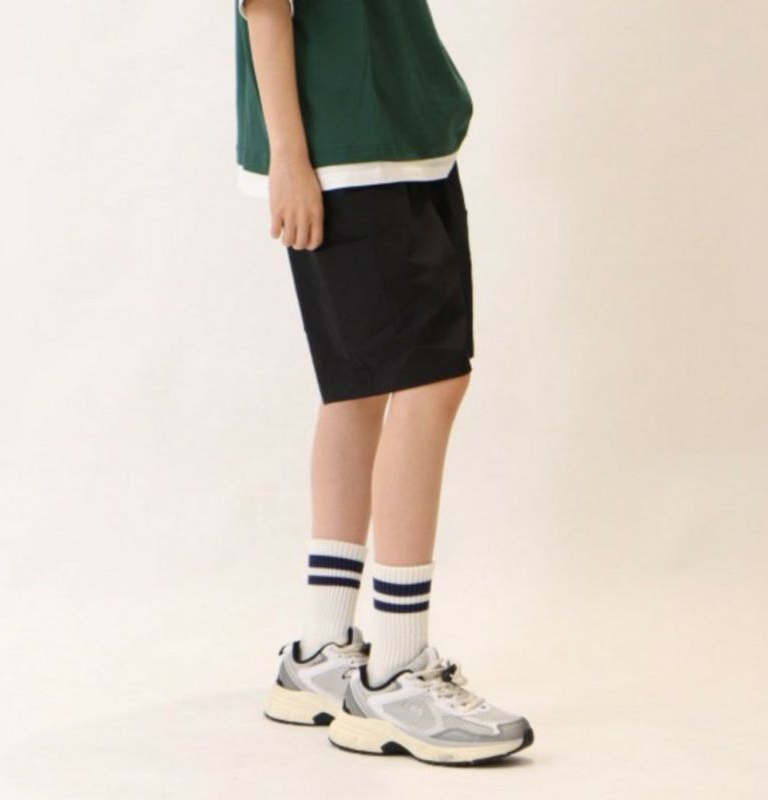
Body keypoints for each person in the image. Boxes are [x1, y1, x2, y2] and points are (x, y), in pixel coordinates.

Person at [235, 0, 533, 765]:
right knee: (430, 381)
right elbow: (265, 8)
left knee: (358, 389)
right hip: (346, 148)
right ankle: (396, 672)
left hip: (404, 136)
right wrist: (289, 157)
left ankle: (321, 650)